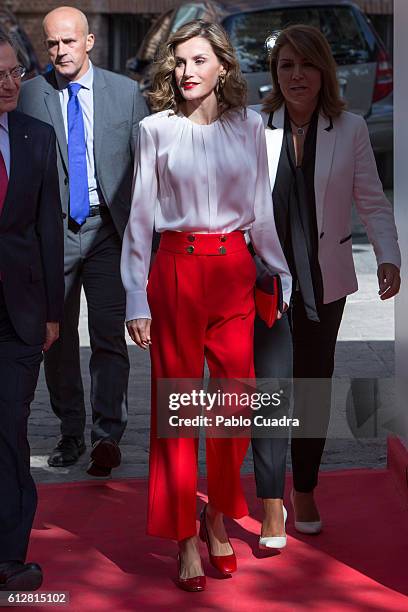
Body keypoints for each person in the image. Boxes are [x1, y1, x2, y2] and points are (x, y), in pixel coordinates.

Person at [121, 20, 291, 591]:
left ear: (222, 64)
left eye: (198, 60)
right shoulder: (153, 130)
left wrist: (280, 272)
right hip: (172, 270)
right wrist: (134, 297)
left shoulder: (250, 126)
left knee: (233, 407)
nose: (187, 72)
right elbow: (140, 217)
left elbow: (260, 209)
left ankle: (215, 514)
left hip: (234, 271)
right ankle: (184, 539)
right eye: (180, 63)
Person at [252, 24, 401, 538]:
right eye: (286, 65)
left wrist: (389, 256)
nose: (296, 75)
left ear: (323, 72)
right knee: (272, 389)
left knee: (312, 387)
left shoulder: (351, 127)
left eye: (306, 65)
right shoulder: (255, 124)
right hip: (267, 281)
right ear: (275, 72)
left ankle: (306, 487)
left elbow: (372, 200)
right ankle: (271, 497)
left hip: (326, 281)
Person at [18, 7, 149, 476]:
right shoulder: (30, 96)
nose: (60, 52)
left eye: (69, 42)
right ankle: (71, 431)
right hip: (53, 234)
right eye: (52, 44)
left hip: (108, 230)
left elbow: (144, 166)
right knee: (57, 336)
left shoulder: (126, 93)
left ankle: (107, 437)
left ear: (88, 42)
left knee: (110, 336)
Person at [0, 32, 64, 590]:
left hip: (17, 314)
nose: (7, 82)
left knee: (9, 432)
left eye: (15, 72)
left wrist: (53, 313)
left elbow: (48, 230)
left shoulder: (37, 137)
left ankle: (9, 557)